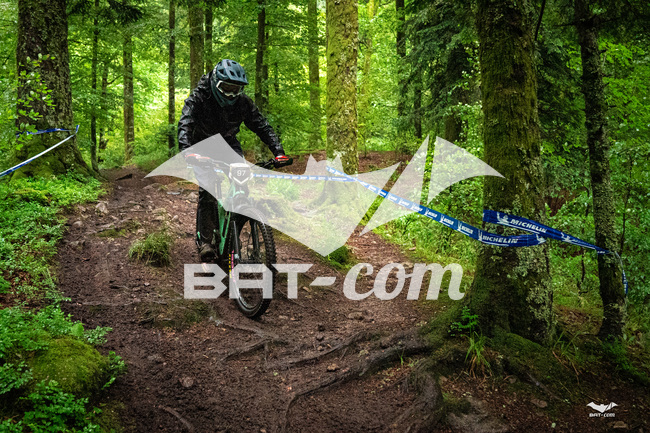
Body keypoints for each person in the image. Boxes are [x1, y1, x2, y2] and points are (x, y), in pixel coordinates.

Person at [178, 59, 288, 262]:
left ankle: (233, 232)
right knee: (208, 189)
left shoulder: (243, 102)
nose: (230, 94)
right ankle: (205, 241)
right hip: (200, 146)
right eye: (227, 88)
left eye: (235, 89)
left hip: (227, 145)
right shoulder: (199, 97)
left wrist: (278, 151)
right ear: (215, 83)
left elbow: (261, 125)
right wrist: (187, 150)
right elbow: (186, 122)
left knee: (242, 185)